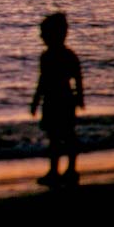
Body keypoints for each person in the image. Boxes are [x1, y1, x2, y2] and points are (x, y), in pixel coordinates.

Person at [30, 12, 85, 187]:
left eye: (43, 33)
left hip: (58, 100)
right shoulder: (61, 55)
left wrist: (36, 101)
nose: (41, 36)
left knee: (62, 137)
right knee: (60, 136)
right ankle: (61, 170)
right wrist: (36, 101)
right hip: (61, 100)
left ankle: (66, 170)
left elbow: (74, 78)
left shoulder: (54, 56)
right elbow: (76, 78)